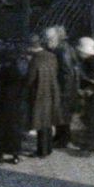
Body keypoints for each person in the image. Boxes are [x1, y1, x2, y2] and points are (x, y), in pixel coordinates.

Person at [24, 25, 69, 157]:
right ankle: (48, 148)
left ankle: (42, 151)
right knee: (48, 122)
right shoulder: (51, 56)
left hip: (39, 94)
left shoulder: (35, 60)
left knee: (40, 124)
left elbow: (30, 79)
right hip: (52, 92)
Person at [0, 40, 29, 164]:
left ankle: (1, 154)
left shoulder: (4, 68)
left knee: (2, 127)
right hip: (17, 101)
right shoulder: (22, 68)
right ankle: (15, 155)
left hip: (4, 100)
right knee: (15, 128)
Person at [72, 36, 94, 154]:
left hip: (93, 93)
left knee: (91, 119)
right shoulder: (91, 60)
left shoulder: (89, 62)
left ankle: (90, 145)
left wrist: (88, 88)